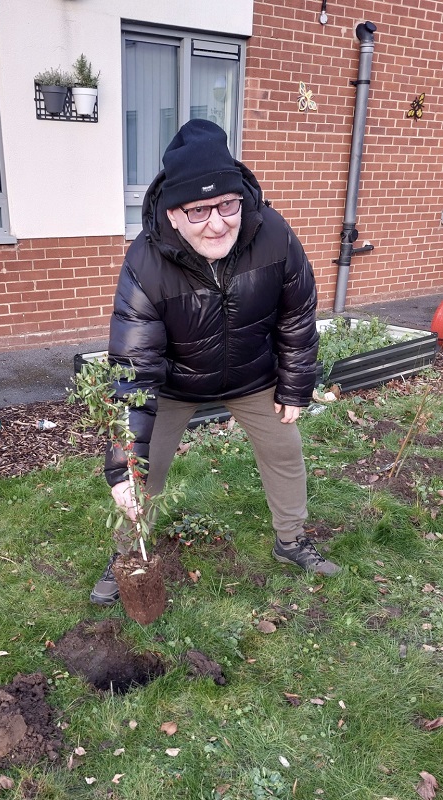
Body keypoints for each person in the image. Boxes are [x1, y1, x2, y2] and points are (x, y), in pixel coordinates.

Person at [90, 118, 340, 606]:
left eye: (228, 204)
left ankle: (291, 539)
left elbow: (297, 313)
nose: (218, 222)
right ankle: (128, 555)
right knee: (141, 475)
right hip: (174, 383)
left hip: (252, 374)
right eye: (199, 210)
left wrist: (294, 385)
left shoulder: (274, 234)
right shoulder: (145, 263)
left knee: (285, 449)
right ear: (173, 215)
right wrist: (122, 466)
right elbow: (133, 369)